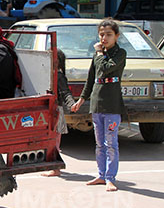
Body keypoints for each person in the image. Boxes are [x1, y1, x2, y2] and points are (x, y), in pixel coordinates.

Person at [71, 19, 126, 192]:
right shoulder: (98, 55)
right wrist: (81, 100)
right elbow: (91, 79)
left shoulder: (119, 53)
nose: (104, 38)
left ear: (116, 36)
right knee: (99, 143)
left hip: (112, 104)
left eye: (109, 34)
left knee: (111, 143)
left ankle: (110, 178)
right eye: (102, 34)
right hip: (97, 104)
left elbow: (106, 68)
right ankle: (101, 175)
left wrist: (100, 53)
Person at [43, 49, 75, 177]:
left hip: (56, 111)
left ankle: (55, 168)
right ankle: (53, 166)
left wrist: (71, 104)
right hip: (49, 111)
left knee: (54, 141)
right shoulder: (47, 74)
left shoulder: (59, 76)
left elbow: (66, 93)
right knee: (51, 141)